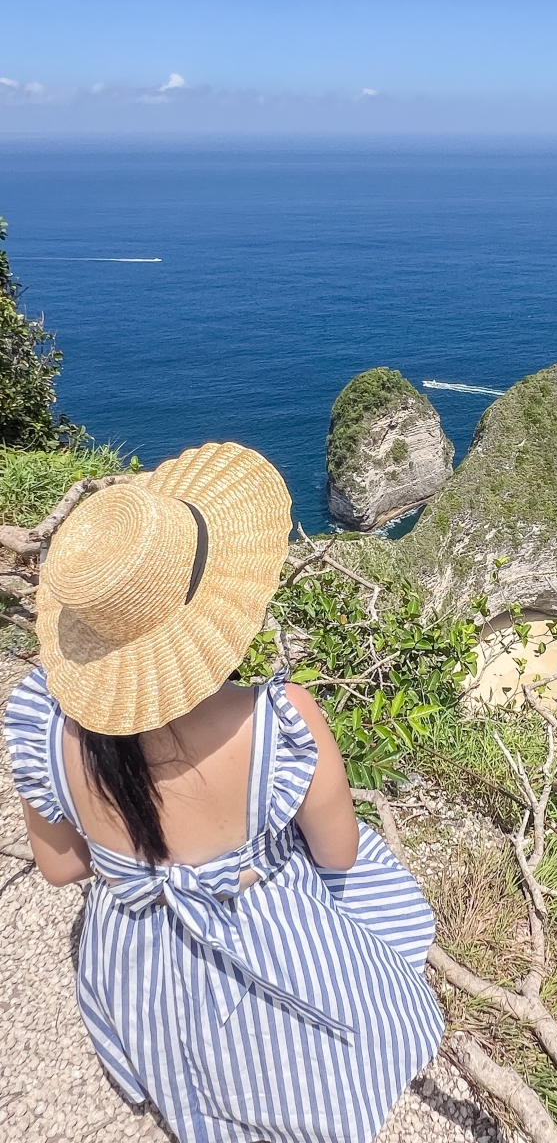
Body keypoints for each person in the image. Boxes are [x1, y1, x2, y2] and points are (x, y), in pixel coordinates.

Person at [3, 441, 444, 1143]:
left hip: (139, 966)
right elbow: (338, 856)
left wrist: (137, 861)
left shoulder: (42, 725)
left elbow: (60, 868)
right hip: (272, 933)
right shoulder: (283, 720)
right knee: (372, 893)